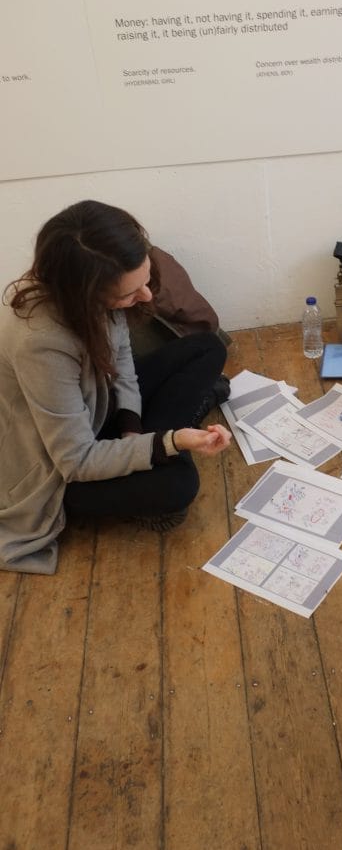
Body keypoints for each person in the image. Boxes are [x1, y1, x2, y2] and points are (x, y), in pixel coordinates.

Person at [0, 199, 232, 575]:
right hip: (60, 470)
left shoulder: (87, 289)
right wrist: (172, 442)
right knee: (179, 485)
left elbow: (123, 363)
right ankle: (176, 434)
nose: (147, 297)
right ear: (86, 294)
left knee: (208, 347)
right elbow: (76, 461)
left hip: (97, 407)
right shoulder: (39, 343)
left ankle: (161, 441)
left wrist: (131, 428)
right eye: (129, 294)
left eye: (145, 281)